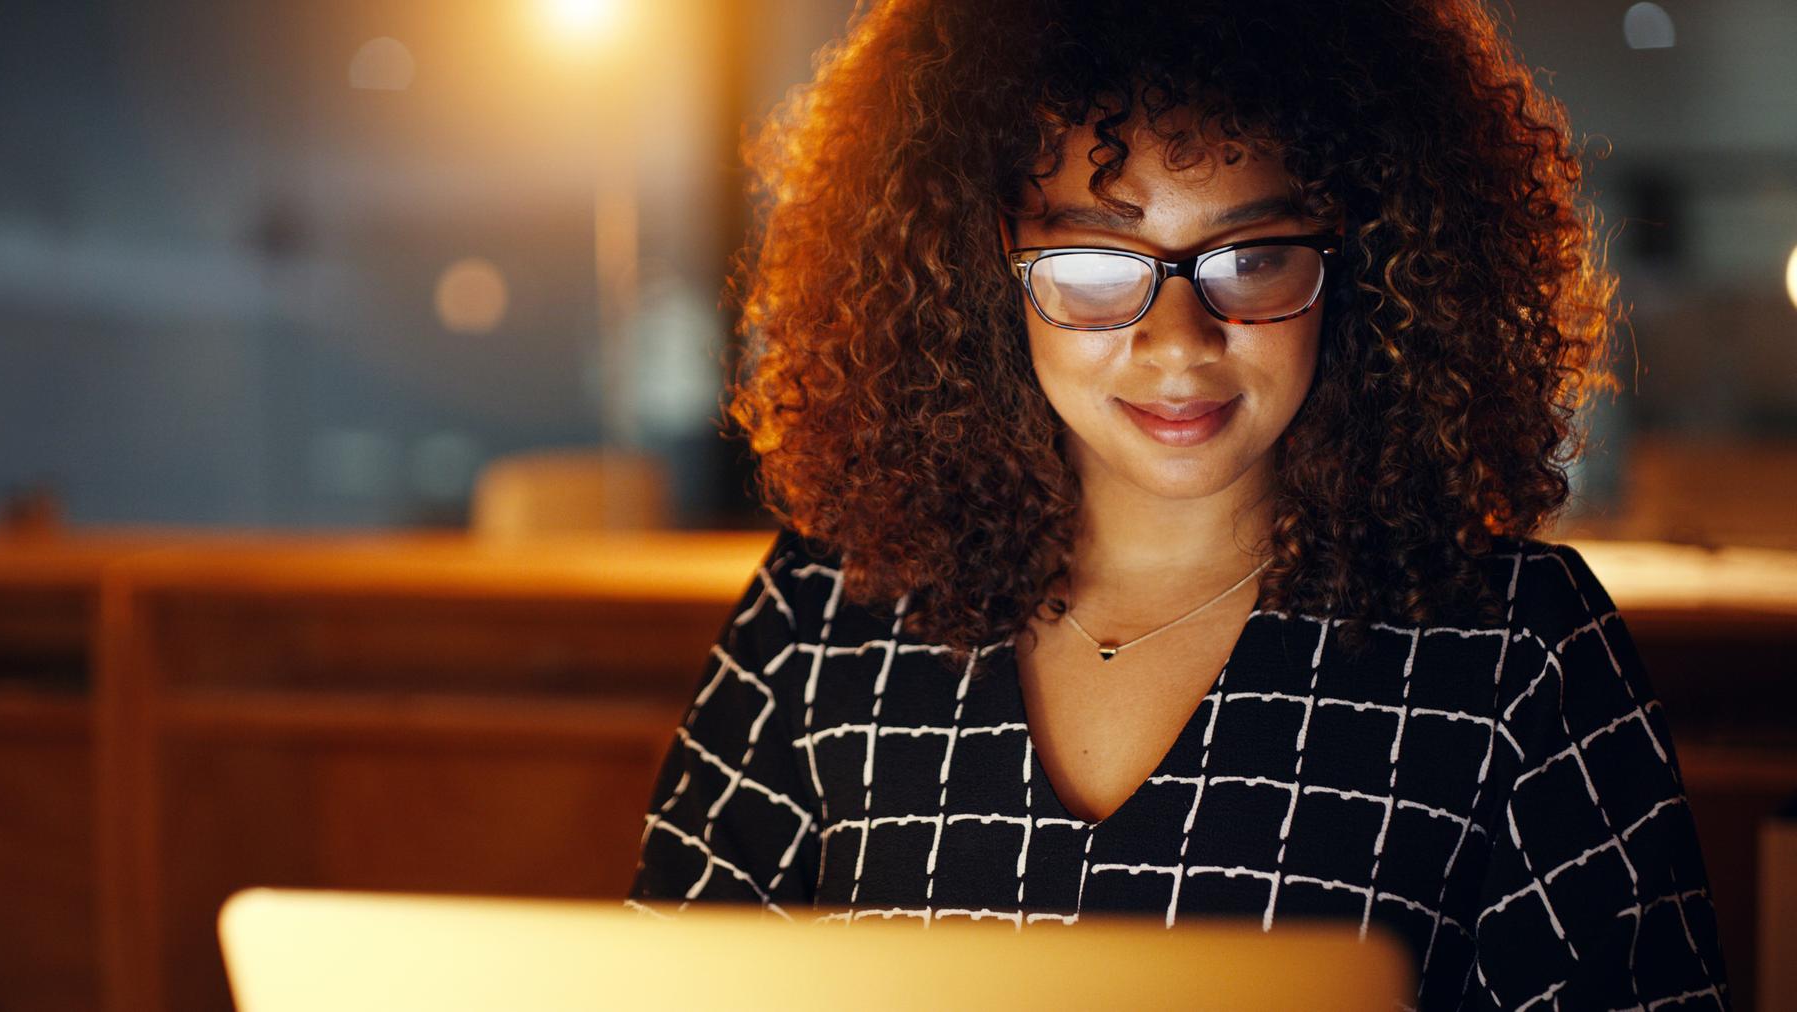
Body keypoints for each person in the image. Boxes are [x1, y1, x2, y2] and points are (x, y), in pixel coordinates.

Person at [626, 0, 1730, 1008]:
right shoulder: (822, 615)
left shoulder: (1518, 651)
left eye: (1251, 257)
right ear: (978, 269)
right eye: (1096, 266)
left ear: (1372, 261)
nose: (1177, 344)